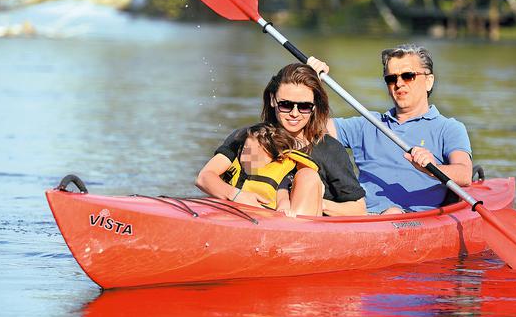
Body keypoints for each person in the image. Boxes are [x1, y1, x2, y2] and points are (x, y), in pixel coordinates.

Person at [308, 44, 472, 214]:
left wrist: (432, 168)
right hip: (359, 217)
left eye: (408, 76)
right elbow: (310, 127)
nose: (398, 83)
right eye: (391, 79)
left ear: (429, 81)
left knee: (392, 212)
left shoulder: (449, 128)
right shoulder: (368, 123)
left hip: (410, 222)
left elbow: (465, 174)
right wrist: (311, 84)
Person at [196, 63, 366, 217]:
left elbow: (358, 210)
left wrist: (318, 203)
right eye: (286, 104)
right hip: (241, 219)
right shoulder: (247, 137)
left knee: (307, 175)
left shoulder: (329, 149)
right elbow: (204, 178)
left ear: (314, 107)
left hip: (300, 232)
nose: (294, 113)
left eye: (304, 106)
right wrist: (237, 195)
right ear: (272, 100)